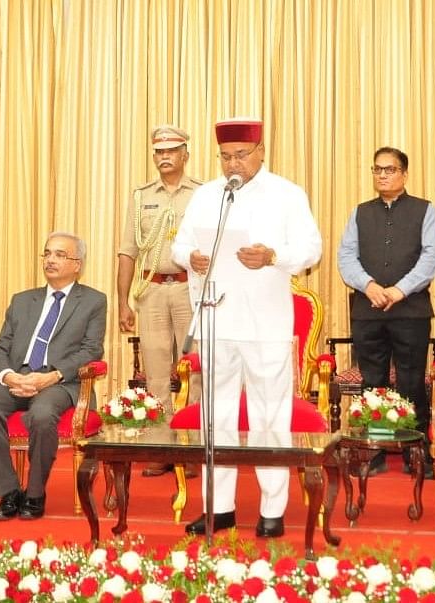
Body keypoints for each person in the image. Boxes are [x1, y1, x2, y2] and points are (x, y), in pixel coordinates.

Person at [171, 117, 322, 538]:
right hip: (217, 318)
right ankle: (218, 507)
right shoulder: (206, 195)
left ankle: (272, 510)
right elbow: (179, 244)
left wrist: (273, 256)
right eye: (225, 156)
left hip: (265, 323)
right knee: (214, 417)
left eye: (240, 155)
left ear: (260, 153)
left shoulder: (287, 194)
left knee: (268, 414)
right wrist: (191, 258)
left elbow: (312, 249)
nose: (232, 164)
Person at [0, 232, 106, 520]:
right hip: (17, 378)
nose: (51, 260)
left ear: (77, 264)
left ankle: (34, 493)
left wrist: (53, 376)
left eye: (59, 254)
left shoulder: (93, 301)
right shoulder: (22, 300)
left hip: (59, 382)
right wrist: (8, 377)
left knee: (43, 414)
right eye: (47, 253)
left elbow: (91, 351)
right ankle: (9, 492)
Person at [337, 147, 435, 476]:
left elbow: (431, 257)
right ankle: (376, 451)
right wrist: (368, 285)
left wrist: (399, 290)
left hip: (410, 310)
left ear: (404, 174)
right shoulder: (359, 212)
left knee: (412, 383)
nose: (383, 175)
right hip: (368, 310)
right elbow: (346, 256)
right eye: (377, 169)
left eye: (390, 169)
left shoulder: (425, 210)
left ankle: (416, 452)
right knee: (374, 384)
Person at [117, 125, 202, 478]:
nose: (164, 157)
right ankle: (161, 446)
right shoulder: (141, 197)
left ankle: (194, 445)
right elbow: (127, 251)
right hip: (150, 289)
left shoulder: (202, 194)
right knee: (154, 371)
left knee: (194, 370)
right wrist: (123, 302)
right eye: (159, 152)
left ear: (185, 154)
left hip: (189, 289)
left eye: (172, 150)